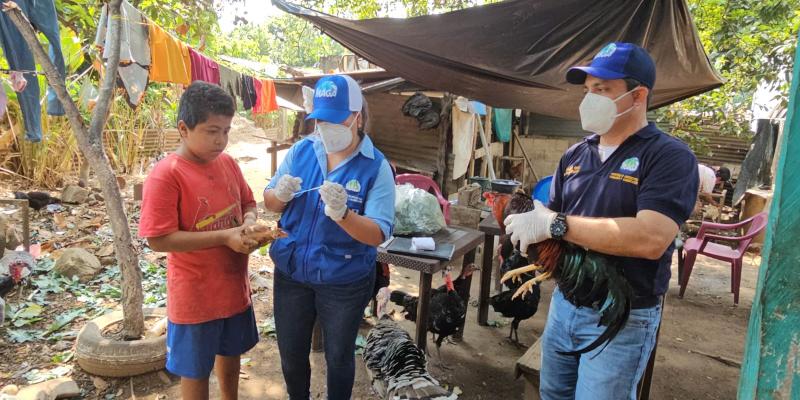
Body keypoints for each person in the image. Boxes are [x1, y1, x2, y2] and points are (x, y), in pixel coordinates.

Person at [504, 42, 699, 400]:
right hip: (565, 306)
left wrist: (556, 225)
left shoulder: (669, 156)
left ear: (638, 95)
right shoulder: (576, 154)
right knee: (553, 395)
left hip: (622, 315)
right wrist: (536, 227)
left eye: (603, 90)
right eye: (588, 90)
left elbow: (651, 238)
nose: (590, 98)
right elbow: (550, 222)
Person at [263, 74, 395, 400]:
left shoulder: (376, 167)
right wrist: (279, 194)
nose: (325, 127)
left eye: (335, 119)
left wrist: (343, 215)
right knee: (292, 356)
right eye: (320, 119)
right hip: (292, 273)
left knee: (338, 357)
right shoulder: (302, 151)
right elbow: (268, 202)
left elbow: (378, 232)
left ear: (357, 117)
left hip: (343, 281)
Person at [139, 82, 260, 400]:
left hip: (233, 289)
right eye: (211, 131)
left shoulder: (228, 164)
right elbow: (158, 239)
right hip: (195, 297)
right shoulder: (168, 174)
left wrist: (248, 225)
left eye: (226, 130)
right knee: (194, 370)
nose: (221, 140)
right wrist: (224, 236)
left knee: (230, 354)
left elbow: (248, 203)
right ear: (183, 128)